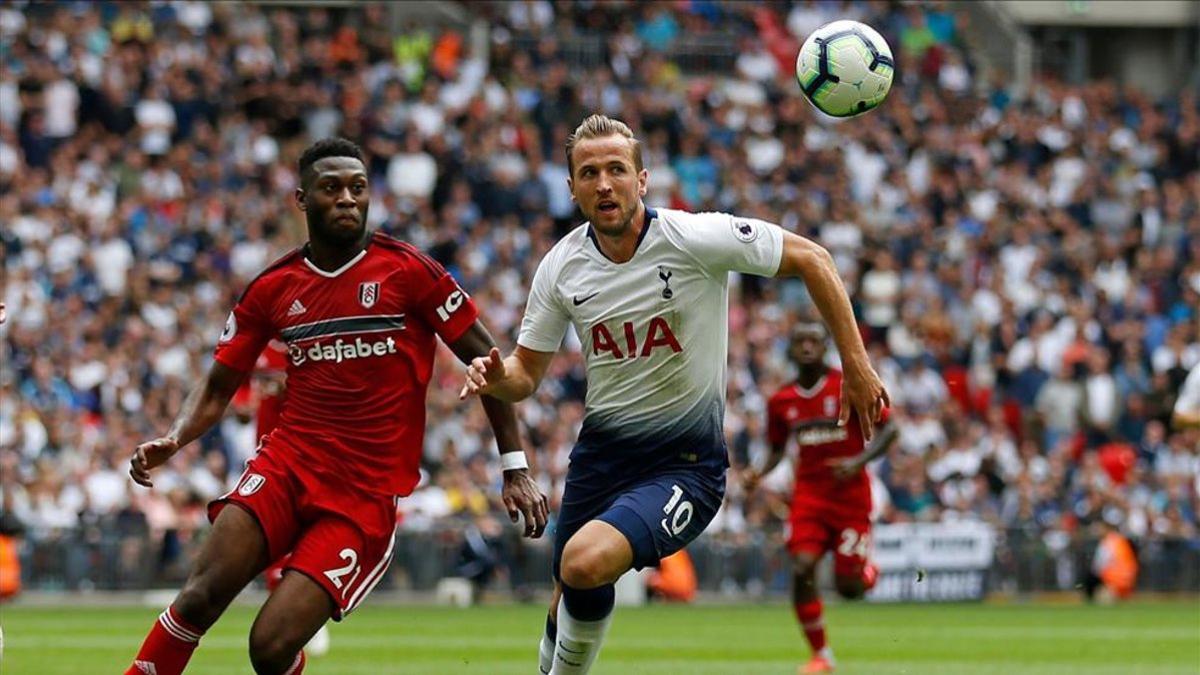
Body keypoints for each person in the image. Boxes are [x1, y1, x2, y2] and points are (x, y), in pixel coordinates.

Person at [459, 115, 889, 675]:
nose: (604, 184)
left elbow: (814, 258)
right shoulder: (561, 267)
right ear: (571, 188)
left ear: (643, 180)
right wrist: (498, 377)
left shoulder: (694, 238)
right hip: (601, 455)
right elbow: (526, 375)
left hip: (684, 464)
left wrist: (855, 364)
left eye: (617, 169)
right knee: (568, 581)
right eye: (589, 173)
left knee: (583, 562)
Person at [124, 138, 549, 675]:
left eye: (358, 188)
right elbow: (216, 385)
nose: (347, 198)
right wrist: (175, 438)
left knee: (270, 647)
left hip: (362, 496)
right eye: (331, 188)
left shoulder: (410, 272)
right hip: (286, 466)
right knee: (198, 598)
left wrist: (515, 468)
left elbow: (494, 366)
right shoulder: (273, 288)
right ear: (302, 200)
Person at [742, 321, 898, 674]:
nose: (807, 346)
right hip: (809, 497)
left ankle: (868, 572)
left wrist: (858, 462)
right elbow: (776, 450)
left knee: (849, 588)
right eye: (800, 341)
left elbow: (892, 429)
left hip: (851, 498)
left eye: (814, 340)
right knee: (801, 568)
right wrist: (757, 473)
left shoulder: (849, 384)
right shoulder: (781, 400)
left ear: (826, 346)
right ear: (791, 349)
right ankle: (822, 657)